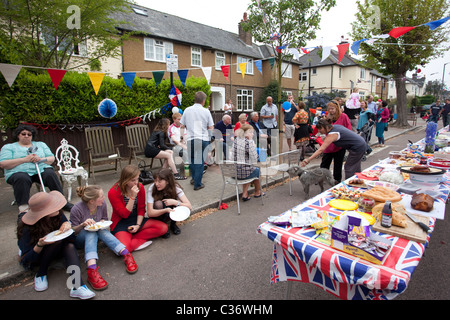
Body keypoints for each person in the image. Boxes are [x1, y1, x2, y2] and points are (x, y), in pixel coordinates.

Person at [17, 191, 95, 299]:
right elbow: (26, 260)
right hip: (37, 255)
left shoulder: (58, 215)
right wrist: (40, 245)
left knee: (69, 246)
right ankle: (41, 273)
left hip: (58, 249)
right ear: (44, 212)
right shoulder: (27, 228)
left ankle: (77, 286)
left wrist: (68, 226)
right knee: (56, 241)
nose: (57, 207)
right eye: (52, 206)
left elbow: (71, 240)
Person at [70, 185, 138, 290]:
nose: (104, 198)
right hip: (80, 238)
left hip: (97, 234)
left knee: (99, 229)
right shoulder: (76, 209)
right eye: (101, 196)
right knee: (90, 232)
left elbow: (104, 219)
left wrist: (102, 222)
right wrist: (83, 225)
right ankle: (92, 270)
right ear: (92, 201)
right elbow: (73, 231)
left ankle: (126, 254)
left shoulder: (102, 205)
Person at [0, 124, 73, 213]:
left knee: (50, 173)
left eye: (29, 134)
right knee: (22, 178)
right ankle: (23, 209)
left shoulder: (41, 144)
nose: (26, 136)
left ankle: (62, 201)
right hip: (18, 172)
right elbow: (3, 164)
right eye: (23, 134)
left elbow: (51, 158)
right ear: (18, 135)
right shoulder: (8, 147)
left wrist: (40, 159)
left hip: (39, 170)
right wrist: (24, 160)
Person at [108, 165, 168, 252]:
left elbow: (141, 209)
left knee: (163, 228)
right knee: (125, 249)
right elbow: (124, 214)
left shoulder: (140, 187)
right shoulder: (113, 192)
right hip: (121, 222)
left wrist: (138, 225)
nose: (136, 182)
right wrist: (132, 197)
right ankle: (131, 241)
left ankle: (131, 239)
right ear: (125, 180)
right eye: (133, 180)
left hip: (136, 218)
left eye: (137, 179)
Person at [301, 119, 367, 180]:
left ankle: (350, 186)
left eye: (320, 129)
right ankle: (358, 181)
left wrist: (308, 159)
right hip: (360, 143)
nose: (319, 131)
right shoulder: (335, 127)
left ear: (326, 127)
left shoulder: (332, 134)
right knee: (355, 166)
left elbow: (321, 149)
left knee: (349, 167)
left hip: (357, 147)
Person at [180, 91, 214, 191]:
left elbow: (182, 126)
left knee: (192, 160)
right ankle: (197, 184)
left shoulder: (187, 110)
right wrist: (211, 137)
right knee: (199, 162)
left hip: (191, 139)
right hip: (203, 139)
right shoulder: (206, 111)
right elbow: (211, 127)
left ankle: (194, 179)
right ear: (203, 101)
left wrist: (182, 138)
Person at [147, 168, 192, 238]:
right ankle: (163, 226)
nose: (156, 184)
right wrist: (165, 210)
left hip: (171, 209)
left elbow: (189, 206)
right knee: (158, 204)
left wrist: (176, 202)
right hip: (159, 212)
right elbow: (150, 213)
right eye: (155, 181)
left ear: (167, 181)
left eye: (159, 181)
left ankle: (173, 224)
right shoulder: (152, 188)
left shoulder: (176, 188)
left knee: (179, 204)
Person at [320, 100, 352, 183]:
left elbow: (349, 129)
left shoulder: (343, 116)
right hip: (329, 144)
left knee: (338, 163)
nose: (331, 110)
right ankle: (322, 178)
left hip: (339, 144)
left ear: (337, 108)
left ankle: (337, 180)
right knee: (325, 162)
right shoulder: (328, 118)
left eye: (333, 108)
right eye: (329, 109)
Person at [230, 124, 264, 201]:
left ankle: (245, 194)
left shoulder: (236, 141)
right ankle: (257, 192)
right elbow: (255, 158)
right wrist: (254, 146)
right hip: (242, 173)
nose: (252, 134)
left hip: (233, 172)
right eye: (250, 132)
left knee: (250, 170)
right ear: (245, 133)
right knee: (258, 172)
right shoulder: (248, 143)